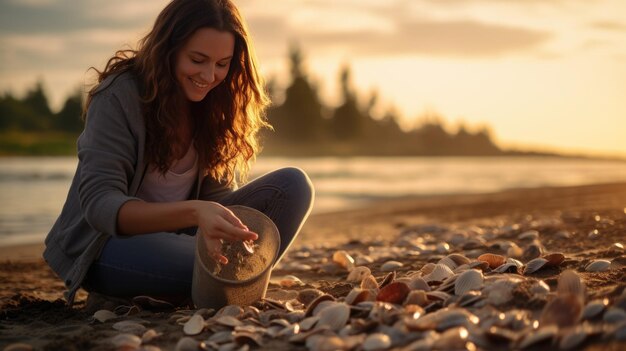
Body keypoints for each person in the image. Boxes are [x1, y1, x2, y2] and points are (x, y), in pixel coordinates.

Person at [43, 0, 314, 306]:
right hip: (107, 246)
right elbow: (100, 206)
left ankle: (186, 289)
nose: (210, 75)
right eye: (198, 59)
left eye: (222, 64)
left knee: (292, 186)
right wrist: (197, 212)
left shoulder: (214, 103)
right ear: (167, 49)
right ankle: (196, 287)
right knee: (223, 268)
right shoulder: (119, 96)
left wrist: (217, 222)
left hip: (183, 237)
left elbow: (216, 199)